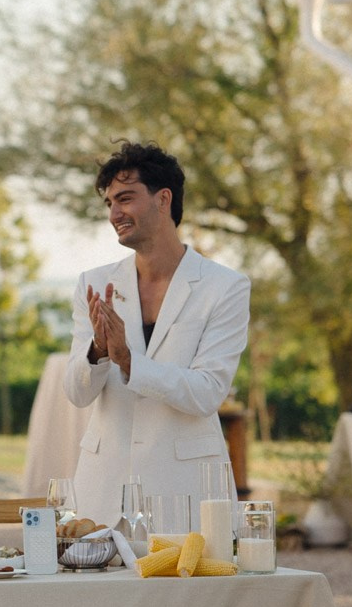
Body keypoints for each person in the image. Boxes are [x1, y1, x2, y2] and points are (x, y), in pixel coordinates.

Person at [63, 141, 250, 530]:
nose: (115, 213)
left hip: (188, 495)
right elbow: (77, 394)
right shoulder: (94, 284)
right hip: (102, 493)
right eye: (110, 203)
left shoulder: (225, 287)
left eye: (126, 199)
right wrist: (98, 351)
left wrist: (131, 362)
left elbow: (207, 392)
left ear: (163, 199)